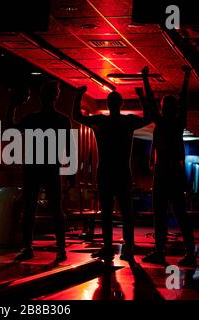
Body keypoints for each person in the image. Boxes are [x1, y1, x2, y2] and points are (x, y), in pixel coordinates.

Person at [73, 85, 151, 261]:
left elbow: (76, 116)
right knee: (126, 213)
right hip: (122, 171)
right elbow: (149, 117)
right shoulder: (127, 122)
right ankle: (128, 248)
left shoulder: (101, 121)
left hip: (106, 172)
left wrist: (78, 96)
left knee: (107, 212)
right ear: (121, 104)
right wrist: (141, 97)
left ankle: (108, 247)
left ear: (108, 104)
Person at [6, 81, 72, 263]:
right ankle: (60, 249)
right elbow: (68, 148)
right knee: (56, 210)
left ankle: (28, 247)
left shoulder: (32, 119)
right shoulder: (62, 120)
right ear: (56, 97)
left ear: (41, 96)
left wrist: (11, 105)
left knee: (30, 209)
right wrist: (71, 174)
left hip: (33, 167)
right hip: (50, 167)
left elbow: (9, 128)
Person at [139, 65, 197, 267]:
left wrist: (145, 78)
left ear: (163, 108)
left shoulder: (162, 123)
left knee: (160, 213)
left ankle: (159, 252)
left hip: (163, 171)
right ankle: (190, 253)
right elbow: (185, 101)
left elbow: (150, 102)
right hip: (175, 170)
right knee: (181, 213)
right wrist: (187, 77)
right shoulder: (178, 122)